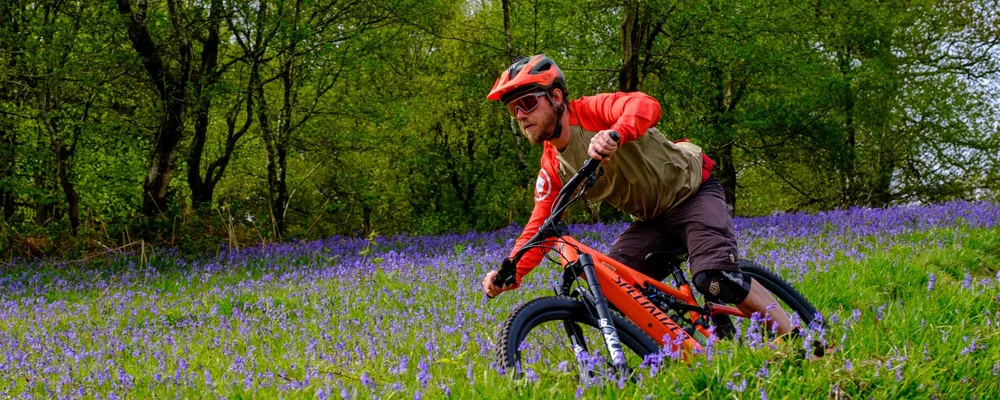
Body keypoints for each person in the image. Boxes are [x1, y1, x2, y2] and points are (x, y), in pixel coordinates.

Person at [480, 54, 795, 336]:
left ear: (557, 96)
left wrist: (616, 132)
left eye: (528, 104)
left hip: (693, 191)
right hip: (651, 221)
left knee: (716, 278)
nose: (520, 115)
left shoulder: (592, 111)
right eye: (513, 109)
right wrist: (509, 272)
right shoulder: (552, 166)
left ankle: (802, 344)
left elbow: (645, 105)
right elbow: (541, 228)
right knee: (613, 290)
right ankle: (682, 346)